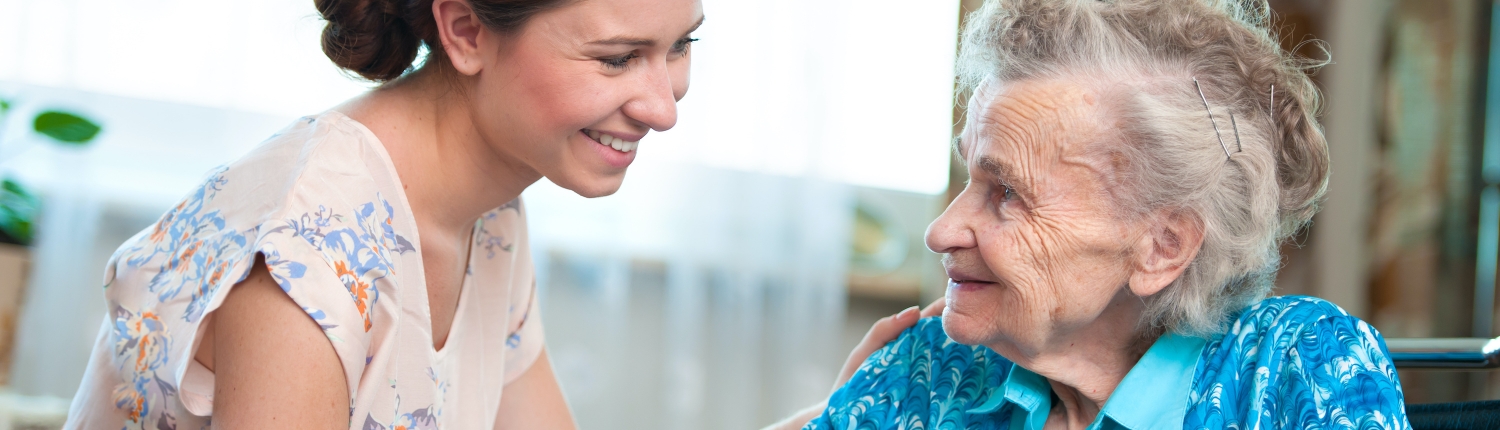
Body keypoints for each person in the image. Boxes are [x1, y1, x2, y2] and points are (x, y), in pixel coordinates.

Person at [63, 0, 702, 428]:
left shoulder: (491, 208)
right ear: (466, 32)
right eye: (617, 58)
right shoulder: (305, 254)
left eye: (681, 45)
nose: (664, 108)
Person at [796, 0, 1411, 429]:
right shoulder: (932, 367)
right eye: (969, 178)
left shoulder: (1293, 366)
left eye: (1007, 192)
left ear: (1162, 247)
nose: (942, 231)